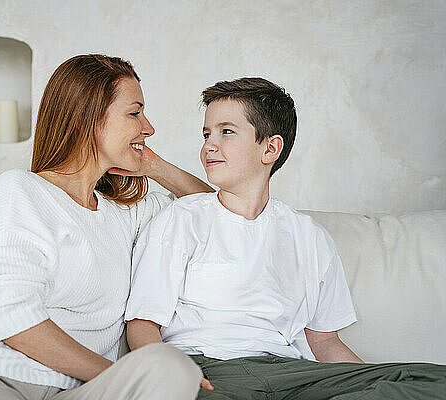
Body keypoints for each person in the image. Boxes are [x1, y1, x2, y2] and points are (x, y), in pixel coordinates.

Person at [0, 54, 212, 400]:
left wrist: (150, 163)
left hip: (71, 390)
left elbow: (207, 212)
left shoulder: (126, 215)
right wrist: (119, 376)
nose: (148, 127)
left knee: (172, 367)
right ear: (86, 118)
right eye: (135, 113)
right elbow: (10, 318)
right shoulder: (21, 191)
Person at [125, 77, 446, 399]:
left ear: (270, 148)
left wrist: (367, 382)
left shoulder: (308, 236)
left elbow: (324, 342)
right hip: (209, 369)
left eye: (227, 131)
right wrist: (171, 374)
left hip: (291, 373)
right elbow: (142, 324)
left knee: (431, 379)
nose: (210, 144)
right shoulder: (182, 218)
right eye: (207, 134)